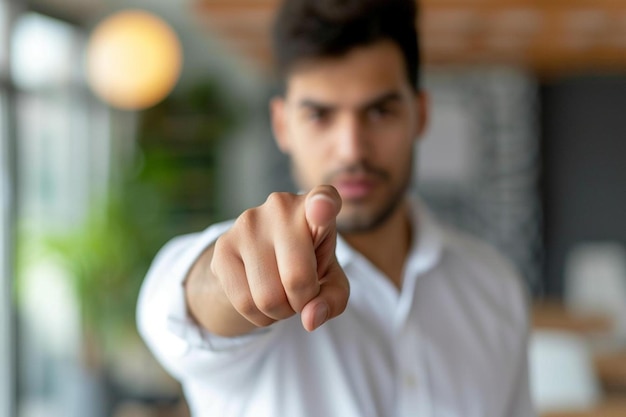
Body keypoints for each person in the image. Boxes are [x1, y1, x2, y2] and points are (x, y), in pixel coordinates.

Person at [137, 0, 536, 416]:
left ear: (420, 114)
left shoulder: (495, 287)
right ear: (281, 125)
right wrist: (233, 281)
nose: (352, 149)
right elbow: (186, 308)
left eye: (380, 111)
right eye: (320, 115)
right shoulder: (252, 258)